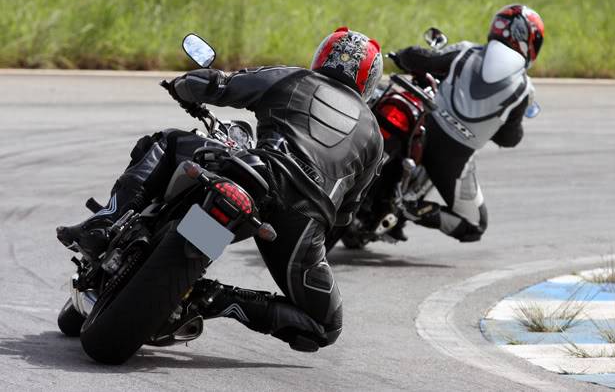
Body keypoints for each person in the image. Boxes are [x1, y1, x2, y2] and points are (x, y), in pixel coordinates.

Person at [57, 27, 384, 352]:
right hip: (300, 226)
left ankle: (107, 221)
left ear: (322, 56)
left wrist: (183, 86)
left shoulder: (292, 78)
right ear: (369, 81)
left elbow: (219, 85)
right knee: (324, 326)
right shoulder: (373, 135)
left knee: (170, 141)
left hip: (258, 181)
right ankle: (215, 299)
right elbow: (345, 213)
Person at [392, 4, 544, 243]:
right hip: (453, 157)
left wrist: (400, 56)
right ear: (530, 43)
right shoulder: (525, 90)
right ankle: (409, 208)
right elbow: (509, 138)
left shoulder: (467, 51)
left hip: (424, 128)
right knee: (475, 225)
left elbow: (421, 59)